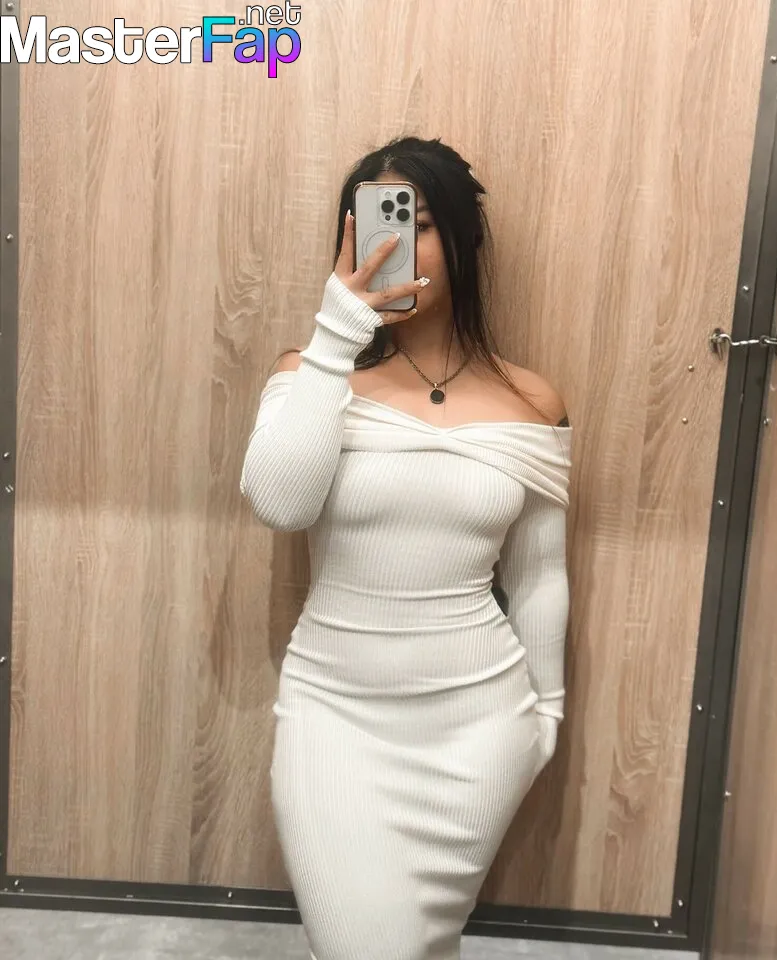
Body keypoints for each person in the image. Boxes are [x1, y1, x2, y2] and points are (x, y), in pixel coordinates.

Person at [240, 136, 572, 960]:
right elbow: (281, 505)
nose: (392, 245)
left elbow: (540, 576)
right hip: (333, 717)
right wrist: (336, 332)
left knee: (424, 943)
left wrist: (547, 715)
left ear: (463, 238)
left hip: (480, 726)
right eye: (371, 225)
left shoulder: (531, 400)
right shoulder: (314, 375)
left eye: (418, 224)